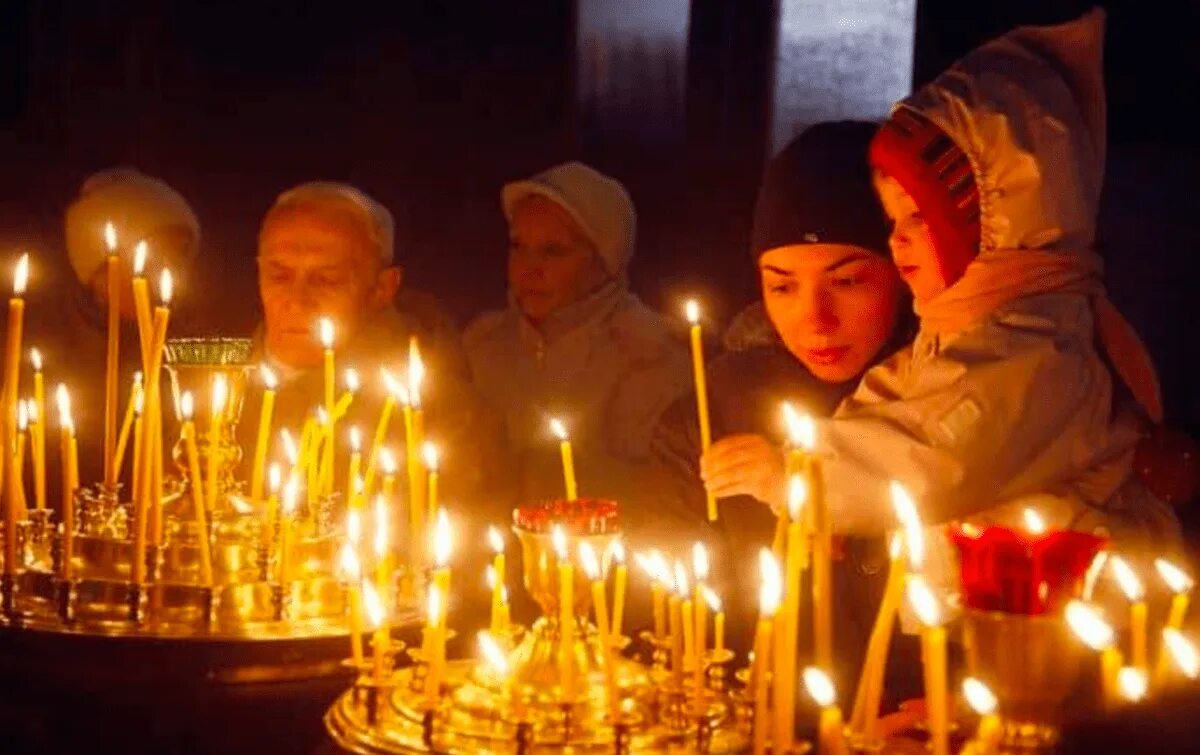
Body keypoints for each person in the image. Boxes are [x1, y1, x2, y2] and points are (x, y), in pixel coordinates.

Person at [701, 10, 1179, 605]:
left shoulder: (1032, 349)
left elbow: (937, 452)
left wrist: (803, 479)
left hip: (1058, 628)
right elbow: (890, 405)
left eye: (918, 217)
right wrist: (827, 507)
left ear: (992, 221)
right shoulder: (964, 329)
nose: (897, 239)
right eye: (893, 220)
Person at [652, 122, 914, 682]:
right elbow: (687, 615)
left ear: (903, 269)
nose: (815, 320)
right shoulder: (708, 415)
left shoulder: (951, 397)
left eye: (847, 282)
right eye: (783, 286)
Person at [463, 162, 690, 516]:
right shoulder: (484, 346)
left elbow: (657, 497)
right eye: (518, 246)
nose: (528, 268)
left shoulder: (649, 356)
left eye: (553, 251)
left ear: (603, 260)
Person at [250, 181, 494, 509]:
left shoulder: (442, 418)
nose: (296, 301)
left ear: (382, 288)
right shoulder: (208, 384)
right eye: (279, 275)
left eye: (325, 279)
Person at [26, 167, 201, 487]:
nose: (170, 271)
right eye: (152, 257)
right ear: (99, 271)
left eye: (179, 255)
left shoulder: (190, 348)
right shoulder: (40, 357)